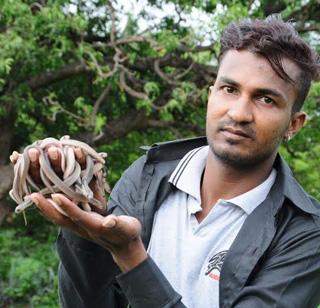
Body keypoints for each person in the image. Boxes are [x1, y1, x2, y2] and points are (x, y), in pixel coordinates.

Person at [25, 15, 320, 307]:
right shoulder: (145, 176)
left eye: (265, 99)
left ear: (294, 124)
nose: (239, 113)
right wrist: (84, 225)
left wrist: (130, 255)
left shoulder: (305, 233)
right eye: (229, 89)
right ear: (211, 95)